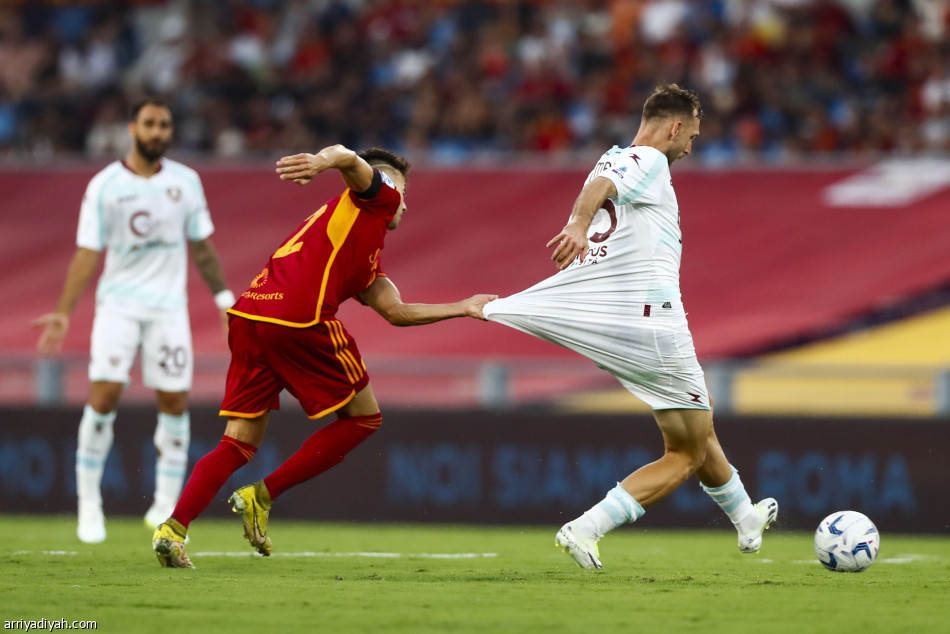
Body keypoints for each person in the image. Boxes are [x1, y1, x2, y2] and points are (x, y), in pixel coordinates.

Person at [151, 144, 496, 568]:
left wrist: (462, 306)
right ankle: (261, 495)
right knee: (364, 419)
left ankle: (173, 529)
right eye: (404, 190)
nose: (404, 200)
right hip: (299, 318)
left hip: (250, 316)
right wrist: (321, 162)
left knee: (238, 442)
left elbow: (396, 312)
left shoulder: (364, 251)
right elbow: (348, 156)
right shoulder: (378, 196)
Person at [481, 84, 778, 569]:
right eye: (693, 137)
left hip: (622, 320)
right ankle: (585, 528)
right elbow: (597, 194)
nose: (690, 148)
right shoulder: (650, 161)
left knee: (696, 426)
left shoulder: (612, 157)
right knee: (683, 452)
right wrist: (578, 223)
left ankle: (745, 518)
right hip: (653, 323)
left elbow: (601, 186)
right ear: (676, 127)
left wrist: (583, 221)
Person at [32, 98, 233, 544]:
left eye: (165, 124)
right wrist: (64, 313)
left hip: (168, 309)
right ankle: (89, 503)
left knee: (175, 401)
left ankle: (164, 505)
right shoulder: (105, 186)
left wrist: (224, 300)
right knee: (104, 397)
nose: (158, 131)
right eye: (150, 124)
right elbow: (88, 252)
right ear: (132, 129)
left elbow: (201, 244)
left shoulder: (186, 182)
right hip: (118, 308)